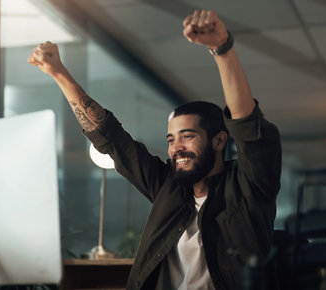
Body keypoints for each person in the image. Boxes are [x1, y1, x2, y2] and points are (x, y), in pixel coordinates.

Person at [28, 9, 281, 290]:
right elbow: (111, 139)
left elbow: (247, 127)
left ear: (220, 141)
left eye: (187, 136)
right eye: (171, 139)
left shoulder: (249, 187)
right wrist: (58, 72)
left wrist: (221, 49)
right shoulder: (168, 187)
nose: (176, 148)